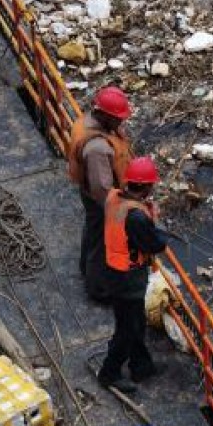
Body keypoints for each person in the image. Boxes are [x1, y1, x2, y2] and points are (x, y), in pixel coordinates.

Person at [95, 156, 166, 393]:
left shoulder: (114, 197)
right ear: (146, 186)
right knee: (128, 329)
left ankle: (141, 365)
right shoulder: (136, 217)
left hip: (113, 270)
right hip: (127, 279)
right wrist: (155, 221)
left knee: (134, 323)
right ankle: (109, 373)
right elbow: (155, 244)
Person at [67, 86, 133, 289]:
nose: (121, 122)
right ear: (105, 115)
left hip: (88, 191)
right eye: (118, 118)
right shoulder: (97, 148)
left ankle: (84, 267)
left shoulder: (86, 123)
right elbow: (101, 188)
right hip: (100, 199)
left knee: (93, 230)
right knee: (101, 242)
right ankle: (97, 288)